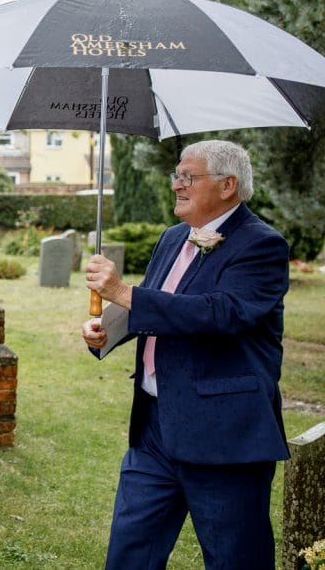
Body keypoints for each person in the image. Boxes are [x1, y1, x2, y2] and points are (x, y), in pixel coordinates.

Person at [82, 140, 290, 569]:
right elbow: (155, 303)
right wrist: (106, 330)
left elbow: (221, 313)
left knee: (236, 558)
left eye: (187, 177)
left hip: (224, 432)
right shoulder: (173, 237)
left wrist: (123, 290)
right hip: (154, 428)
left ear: (228, 185)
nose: (176, 184)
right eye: (176, 175)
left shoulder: (263, 246)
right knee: (129, 555)